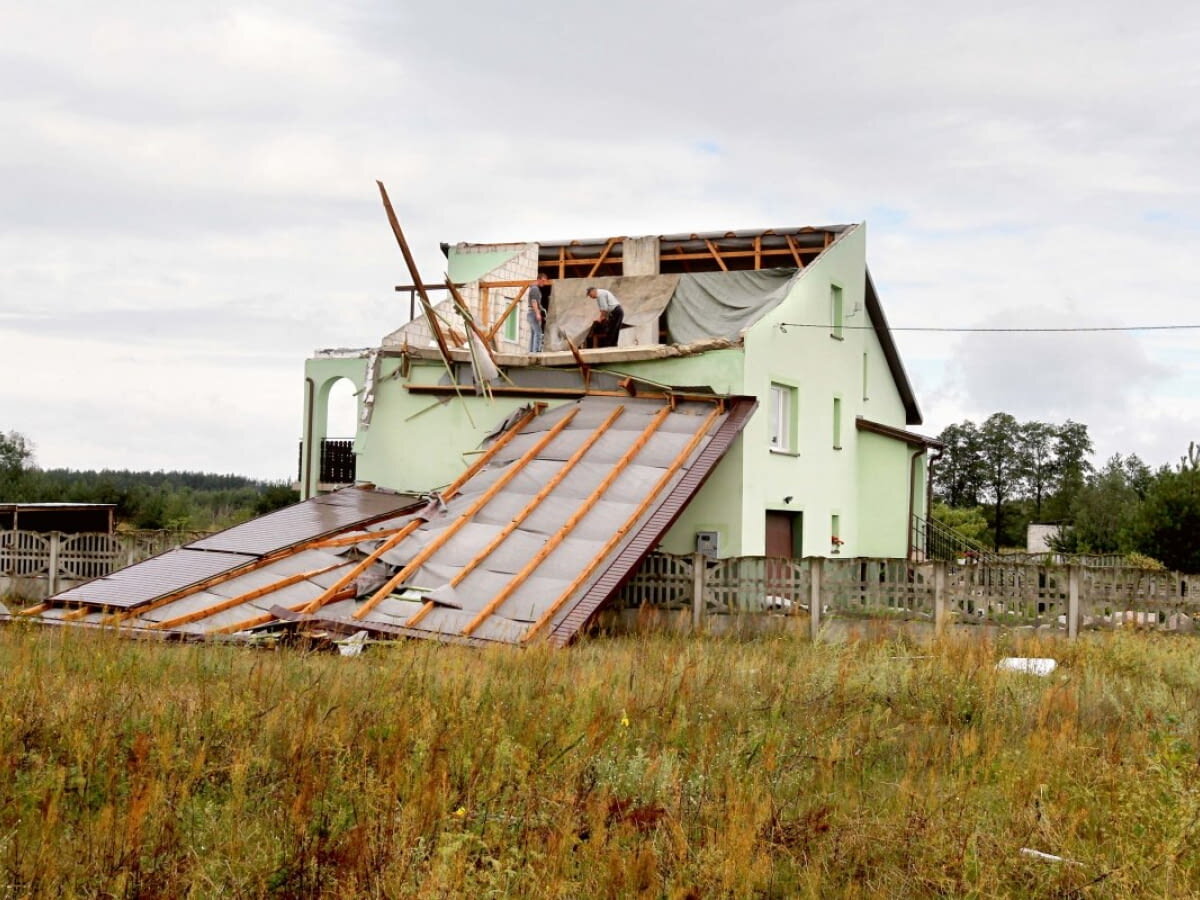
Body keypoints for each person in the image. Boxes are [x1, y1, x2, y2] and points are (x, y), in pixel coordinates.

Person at [526, 273, 552, 352]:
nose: (544, 283)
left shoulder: (534, 288)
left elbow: (537, 303)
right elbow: (534, 301)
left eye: (545, 281)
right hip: (533, 313)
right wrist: (537, 313)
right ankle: (536, 351)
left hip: (532, 312)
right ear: (538, 279)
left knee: (534, 332)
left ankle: (531, 351)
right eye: (543, 281)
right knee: (538, 332)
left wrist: (542, 309)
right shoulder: (535, 289)